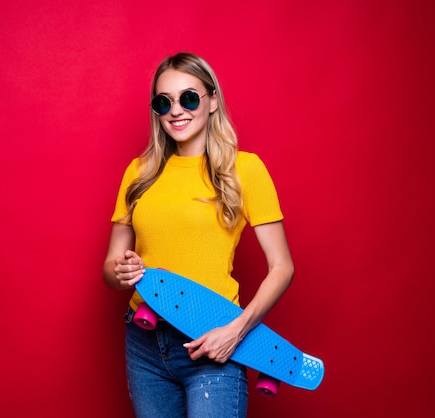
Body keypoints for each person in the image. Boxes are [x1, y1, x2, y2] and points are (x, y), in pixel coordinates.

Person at [102, 52, 294, 418]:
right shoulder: (139, 172)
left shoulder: (245, 170)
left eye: (189, 98)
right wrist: (121, 270)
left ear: (212, 101)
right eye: (164, 102)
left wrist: (236, 332)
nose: (176, 111)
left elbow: (282, 266)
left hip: (214, 341)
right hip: (144, 342)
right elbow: (110, 272)